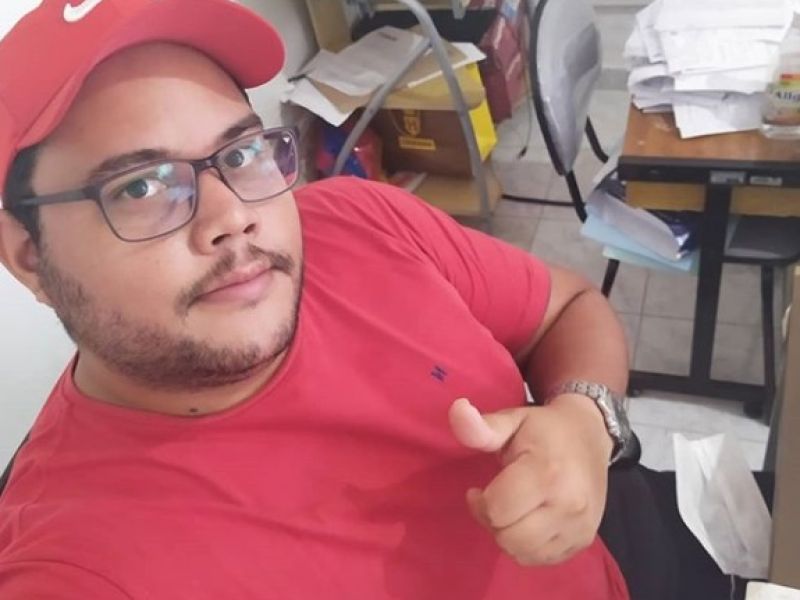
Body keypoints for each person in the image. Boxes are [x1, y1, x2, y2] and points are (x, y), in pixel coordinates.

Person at [0, 1, 697, 598]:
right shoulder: (79, 564)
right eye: (142, 187)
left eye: (240, 154)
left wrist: (585, 420)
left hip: (627, 545)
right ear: (30, 256)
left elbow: (568, 308)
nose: (232, 216)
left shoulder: (359, 220)